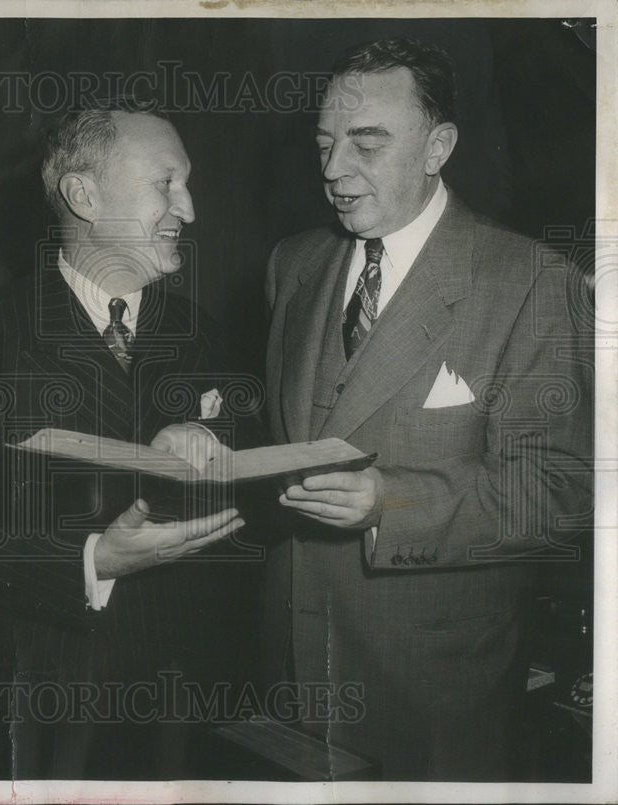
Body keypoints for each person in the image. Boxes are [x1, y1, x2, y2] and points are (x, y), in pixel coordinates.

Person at [263, 38, 593, 780]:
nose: (333, 170)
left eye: (367, 144)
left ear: (438, 146)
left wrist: (391, 502)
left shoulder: (532, 281)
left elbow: (561, 490)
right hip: (286, 673)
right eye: (324, 142)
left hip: (436, 693)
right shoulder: (293, 264)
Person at [0, 98, 262, 779]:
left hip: (189, 703)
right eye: (167, 183)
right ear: (82, 194)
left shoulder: (204, 330)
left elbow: (250, 487)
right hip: (49, 707)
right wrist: (93, 559)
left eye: (186, 185)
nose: (189, 209)